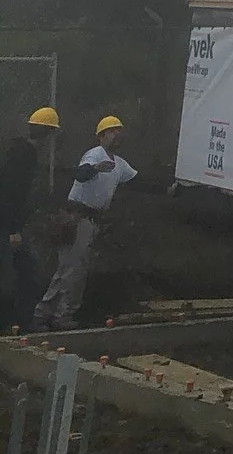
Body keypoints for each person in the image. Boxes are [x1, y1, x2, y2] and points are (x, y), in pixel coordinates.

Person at [32, 115, 138, 331]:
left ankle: (55, 315)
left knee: (74, 270)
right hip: (77, 218)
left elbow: (139, 181)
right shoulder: (94, 154)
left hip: (90, 221)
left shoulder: (119, 164)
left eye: (118, 131)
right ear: (101, 136)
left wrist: (174, 188)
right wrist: (97, 168)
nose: (116, 134)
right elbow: (81, 174)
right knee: (70, 269)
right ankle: (47, 315)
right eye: (111, 131)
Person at [0, 107, 59, 329]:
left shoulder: (19, 151)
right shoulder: (23, 155)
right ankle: (14, 323)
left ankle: (19, 322)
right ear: (45, 132)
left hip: (10, 223)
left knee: (25, 272)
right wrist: (13, 228)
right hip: (7, 225)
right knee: (19, 274)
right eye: (51, 132)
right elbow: (10, 192)